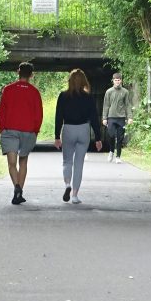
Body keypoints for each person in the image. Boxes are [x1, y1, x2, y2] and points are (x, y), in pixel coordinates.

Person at [54, 69, 102, 204]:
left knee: (67, 161)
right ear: (84, 82)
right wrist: (98, 138)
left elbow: (59, 117)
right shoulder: (88, 98)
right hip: (83, 130)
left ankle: (67, 184)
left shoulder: (63, 96)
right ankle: (74, 195)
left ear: (70, 81)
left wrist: (57, 136)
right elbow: (94, 119)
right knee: (79, 163)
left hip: (68, 128)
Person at [0, 62, 43, 205]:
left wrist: (2, 127)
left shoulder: (8, 90)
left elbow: (2, 111)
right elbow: (38, 114)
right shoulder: (34, 92)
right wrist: (35, 130)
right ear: (31, 75)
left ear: (18, 72)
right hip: (28, 131)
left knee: (12, 163)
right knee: (23, 161)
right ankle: (19, 192)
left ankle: (16, 187)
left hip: (9, 129)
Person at [102, 72, 133, 164]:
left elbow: (127, 105)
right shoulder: (109, 92)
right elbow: (106, 105)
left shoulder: (125, 92)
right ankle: (111, 151)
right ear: (113, 81)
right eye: (116, 80)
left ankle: (118, 156)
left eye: (119, 80)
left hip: (121, 117)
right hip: (111, 117)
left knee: (120, 138)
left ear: (121, 81)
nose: (117, 82)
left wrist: (130, 117)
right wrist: (104, 118)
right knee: (111, 135)